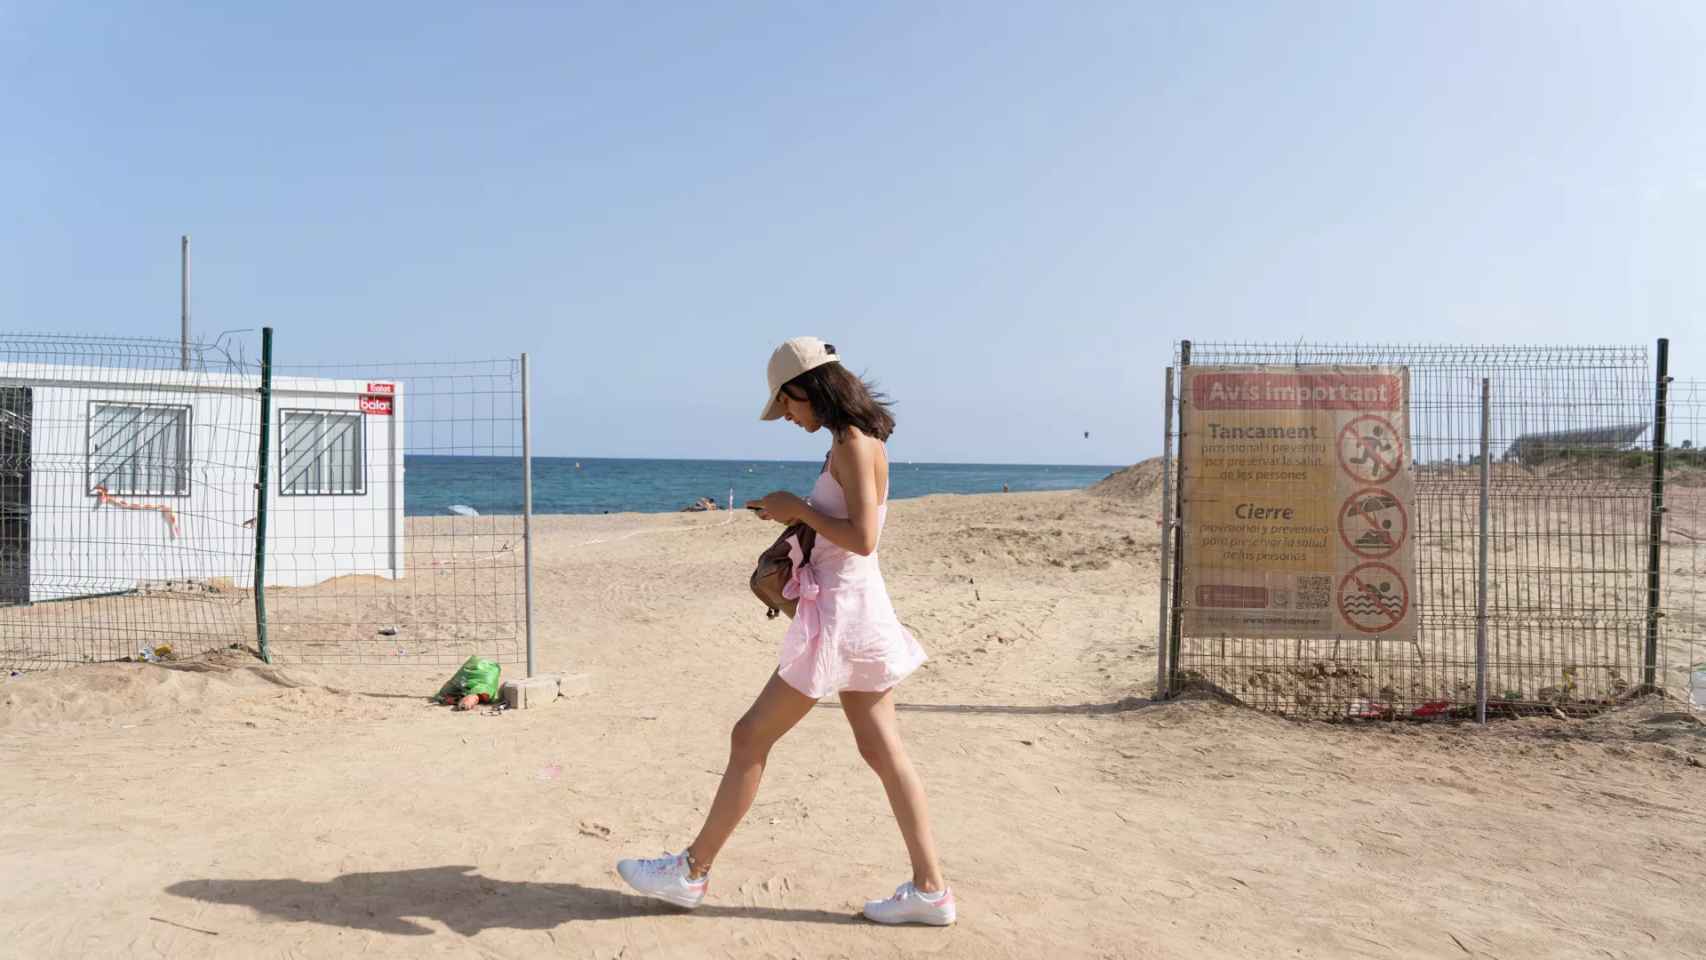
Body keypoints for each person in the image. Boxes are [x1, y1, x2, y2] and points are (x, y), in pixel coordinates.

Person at [616, 336, 954, 926]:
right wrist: (798, 512)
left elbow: (864, 537)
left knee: (750, 737)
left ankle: (691, 872)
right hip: (858, 611)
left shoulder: (851, 444)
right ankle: (931, 891)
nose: (789, 418)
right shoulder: (857, 442)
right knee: (881, 750)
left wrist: (794, 508)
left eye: (788, 406)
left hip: (841, 616)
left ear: (808, 389)